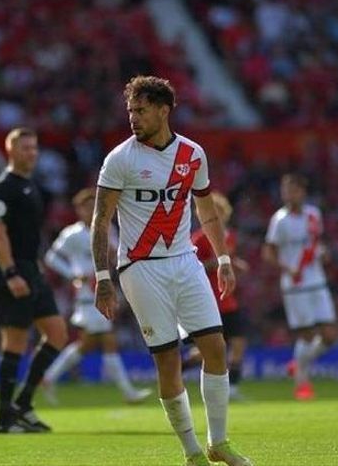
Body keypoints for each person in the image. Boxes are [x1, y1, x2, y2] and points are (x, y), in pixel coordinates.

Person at [92, 75, 253, 466]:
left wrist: (224, 259)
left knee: (216, 347)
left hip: (185, 262)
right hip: (140, 268)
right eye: (131, 110)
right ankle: (192, 451)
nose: (133, 118)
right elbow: (101, 220)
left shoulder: (193, 155)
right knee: (168, 360)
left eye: (141, 110)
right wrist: (102, 278)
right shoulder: (121, 159)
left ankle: (219, 443)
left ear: (164, 110)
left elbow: (207, 210)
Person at [0, 127, 68, 433]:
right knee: (15, 342)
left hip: (33, 269)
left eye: (34, 148)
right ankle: (3, 418)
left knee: (57, 333)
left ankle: (22, 403)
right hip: (14, 270)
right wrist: (10, 272)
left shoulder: (30, 185)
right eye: (25, 149)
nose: (31, 153)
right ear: (11, 151)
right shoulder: (3, 187)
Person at [40, 187, 152, 405]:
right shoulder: (71, 234)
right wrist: (72, 273)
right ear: (78, 209)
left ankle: (48, 377)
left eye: (94, 205)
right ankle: (128, 392)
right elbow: (51, 257)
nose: (91, 209)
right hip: (86, 293)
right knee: (108, 341)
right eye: (86, 206)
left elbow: (116, 254)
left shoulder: (106, 228)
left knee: (87, 345)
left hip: (103, 287)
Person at [262, 173, 338, 400]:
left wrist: (323, 253)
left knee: (330, 335)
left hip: (317, 280)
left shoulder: (314, 215)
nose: (289, 194)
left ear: (302, 192)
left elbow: (317, 244)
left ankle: (299, 364)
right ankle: (302, 382)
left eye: (293, 189)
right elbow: (268, 252)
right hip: (295, 284)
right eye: (286, 190)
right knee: (306, 335)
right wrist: (287, 268)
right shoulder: (280, 220)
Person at [182, 192, 250, 401]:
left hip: (228, 300)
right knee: (207, 351)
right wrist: (217, 263)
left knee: (238, 343)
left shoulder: (229, 237)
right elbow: (193, 266)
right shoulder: (198, 239)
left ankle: (234, 388)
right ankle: (176, 369)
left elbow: (227, 260)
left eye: (221, 212)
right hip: (208, 300)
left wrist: (235, 264)